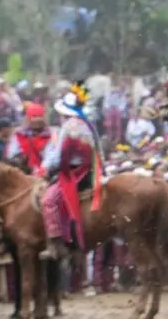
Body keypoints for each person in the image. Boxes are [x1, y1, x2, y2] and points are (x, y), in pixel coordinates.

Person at [40, 82, 102, 260]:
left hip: (74, 175)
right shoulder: (88, 125)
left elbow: (58, 156)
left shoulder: (68, 127)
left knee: (49, 201)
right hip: (90, 171)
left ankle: (55, 244)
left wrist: (45, 171)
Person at [6, 103, 53, 175]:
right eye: (34, 116)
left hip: (42, 173)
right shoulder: (19, 134)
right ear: (28, 118)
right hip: (22, 172)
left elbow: (50, 156)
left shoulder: (50, 135)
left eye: (40, 116)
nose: (37, 119)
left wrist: (42, 170)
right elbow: (11, 154)